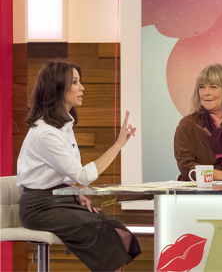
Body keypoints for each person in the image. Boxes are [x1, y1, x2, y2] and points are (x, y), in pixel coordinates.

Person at [17, 61, 141, 272]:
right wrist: (118, 145)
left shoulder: (64, 125)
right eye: (75, 82)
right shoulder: (46, 133)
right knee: (108, 235)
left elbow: (64, 174)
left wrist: (73, 192)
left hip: (60, 199)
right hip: (40, 208)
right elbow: (83, 175)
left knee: (124, 236)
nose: (82, 88)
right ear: (57, 88)